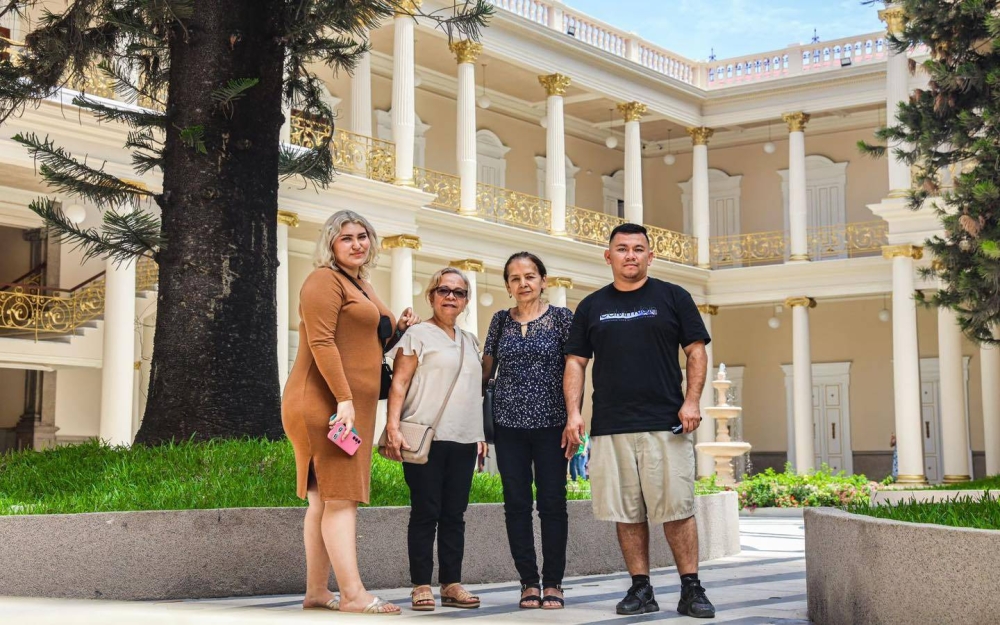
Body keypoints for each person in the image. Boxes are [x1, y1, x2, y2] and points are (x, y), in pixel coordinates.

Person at [562, 223, 716, 619]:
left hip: (666, 422)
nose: (630, 255)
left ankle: (691, 588)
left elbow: (696, 352)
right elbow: (576, 362)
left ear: (650, 256)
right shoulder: (592, 306)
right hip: (612, 425)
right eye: (622, 248)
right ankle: (640, 588)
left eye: (638, 249)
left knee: (677, 509)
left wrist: (693, 400)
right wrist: (575, 413)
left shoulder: (673, 297)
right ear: (608, 256)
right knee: (626, 512)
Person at [282, 210, 418, 615]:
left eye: (363, 236)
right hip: (322, 401)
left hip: (347, 404)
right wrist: (343, 399)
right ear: (330, 244)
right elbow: (322, 342)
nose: (357, 243)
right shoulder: (323, 280)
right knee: (340, 498)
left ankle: (318, 592)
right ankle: (354, 595)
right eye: (347, 238)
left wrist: (400, 331)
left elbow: (369, 336)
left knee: (324, 500)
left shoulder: (359, 283)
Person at [384, 267, 487, 612]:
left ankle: (452, 583)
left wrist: (480, 434)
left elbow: (475, 391)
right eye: (444, 290)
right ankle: (420, 585)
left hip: (463, 439)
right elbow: (398, 383)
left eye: (458, 292)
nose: (450, 297)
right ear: (431, 296)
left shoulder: (470, 340)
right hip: (424, 436)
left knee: (455, 514)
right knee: (426, 511)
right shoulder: (417, 335)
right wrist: (393, 428)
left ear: (466, 301)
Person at [482, 252, 574, 610]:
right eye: (515, 278)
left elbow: (574, 371)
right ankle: (528, 582)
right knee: (516, 505)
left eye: (530, 276)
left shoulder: (562, 320)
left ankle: (553, 582)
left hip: (553, 425)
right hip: (508, 427)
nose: (523, 283)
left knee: (553, 504)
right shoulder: (500, 321)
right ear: (507, 286)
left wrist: (574, 417)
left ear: (543, 280)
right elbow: (486, 374)